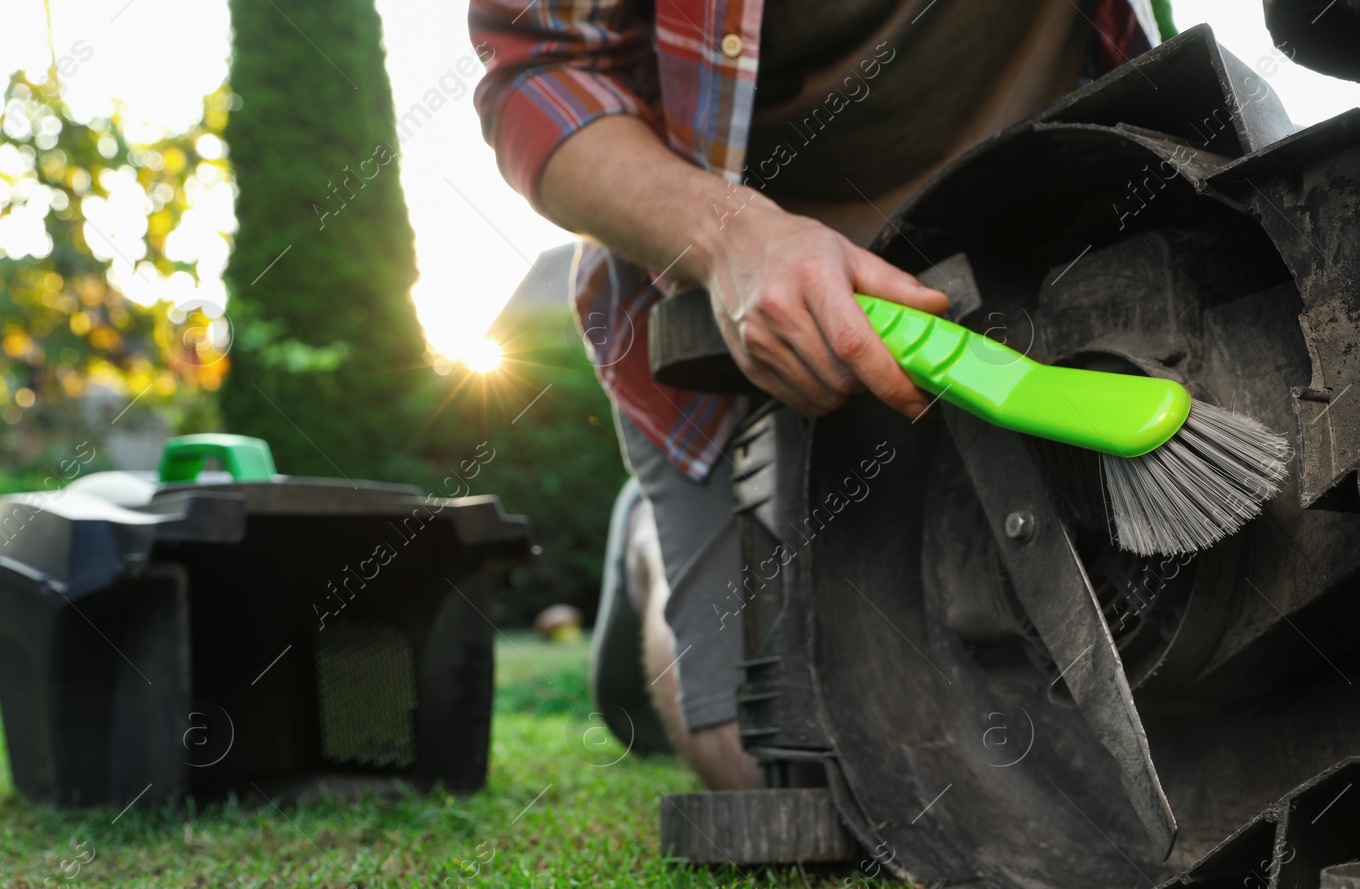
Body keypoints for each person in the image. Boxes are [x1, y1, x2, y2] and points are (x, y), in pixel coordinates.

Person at [469, 0, 1167, 789]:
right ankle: (650, 537)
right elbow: (536, 67)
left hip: (1042, 268)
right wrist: (732, 239)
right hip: (738, 318)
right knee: (797, 778)